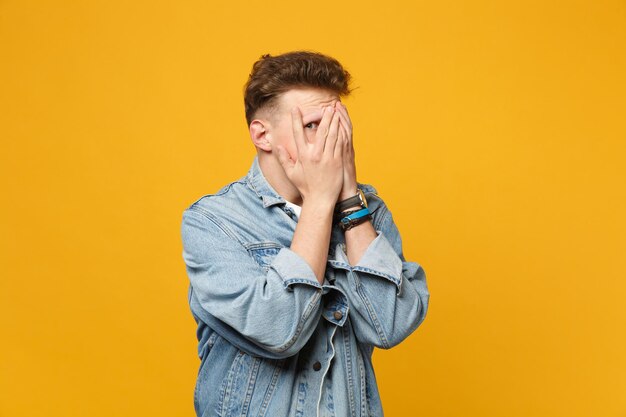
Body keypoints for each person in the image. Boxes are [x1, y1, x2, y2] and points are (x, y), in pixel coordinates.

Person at [180, 51, 429, 417]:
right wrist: (318, 202)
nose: (332, 141)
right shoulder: (213, 222)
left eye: (337, 125)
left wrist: (346, 201)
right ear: (262, 135)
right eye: (313, 126)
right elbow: (280, 331)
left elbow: (389, 325)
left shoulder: (366, 210)